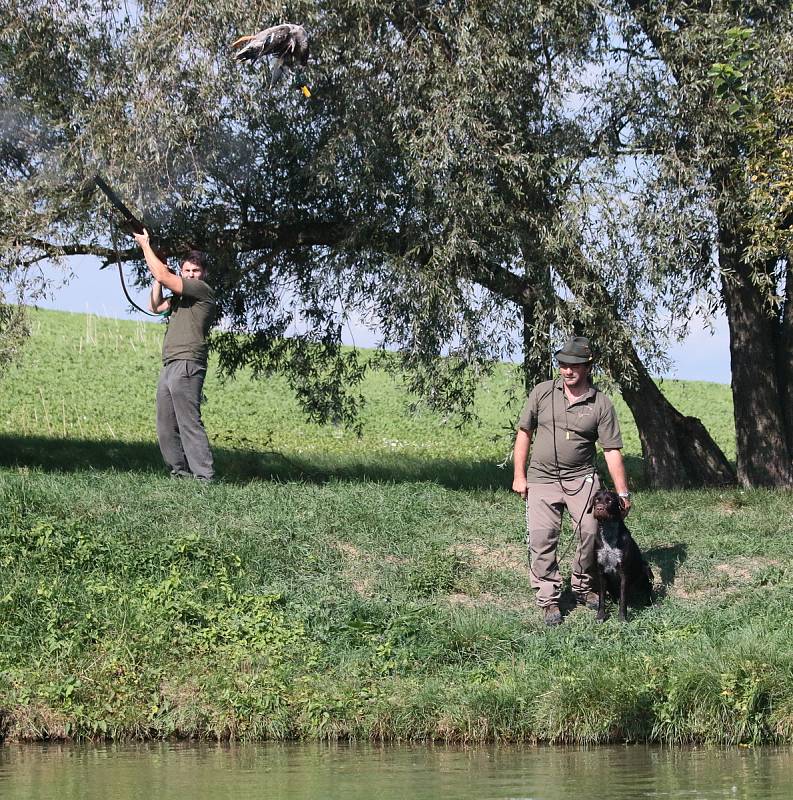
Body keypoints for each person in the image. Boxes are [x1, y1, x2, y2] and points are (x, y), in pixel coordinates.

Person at [511, 335, 631, 626]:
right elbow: (524, 433)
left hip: (583, 479)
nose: (567, 371)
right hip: (541, 478)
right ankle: (549, 599)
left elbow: (612, 450)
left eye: (574, 366)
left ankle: (582, 586)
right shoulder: (542, 392)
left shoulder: (601, 404)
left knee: (591, 532)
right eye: (563, 364)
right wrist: (519, 475)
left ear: (588, 367)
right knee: (542, 538)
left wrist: (622, 492)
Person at [133, 229, 216, 481]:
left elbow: (161, 272)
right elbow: (155, 306)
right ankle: (180, 474)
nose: (192, 274)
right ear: (182, 271)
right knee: (166, 426)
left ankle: (204, 477)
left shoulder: (202, 291)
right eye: (187, 271)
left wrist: (145, 246)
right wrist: (160, 279)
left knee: (189, 422)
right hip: (170, 364)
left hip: (188, 363)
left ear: (203, 274)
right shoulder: (180, 299)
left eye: (196, 271)